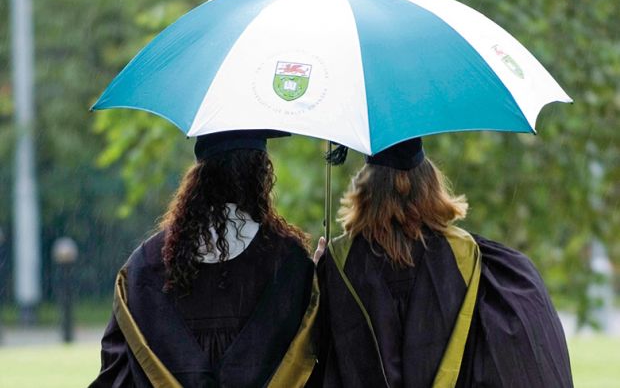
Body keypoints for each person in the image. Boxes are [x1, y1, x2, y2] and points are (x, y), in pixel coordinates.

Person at [312, 138, 573, 387]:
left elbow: (317, 356)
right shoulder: (471, 258)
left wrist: (317, 278)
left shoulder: (339, 262)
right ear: (430, 183)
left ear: (365, 190)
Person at [90, 130, 319, 388]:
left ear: (200, 176)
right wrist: (323, 276)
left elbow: (118, 371)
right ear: (260, 175)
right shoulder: (289, 261)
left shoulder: (146, 265)